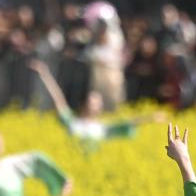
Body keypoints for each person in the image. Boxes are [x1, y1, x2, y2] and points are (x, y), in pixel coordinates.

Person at [30, 60, 163, 153]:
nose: (93, 104)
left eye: (97, 102)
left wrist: (150, 118)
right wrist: (45, 74)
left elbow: (128, 124)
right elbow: (58, 99)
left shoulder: (102, 128)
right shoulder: (72, 122)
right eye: (91, 100)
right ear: (83, 103)